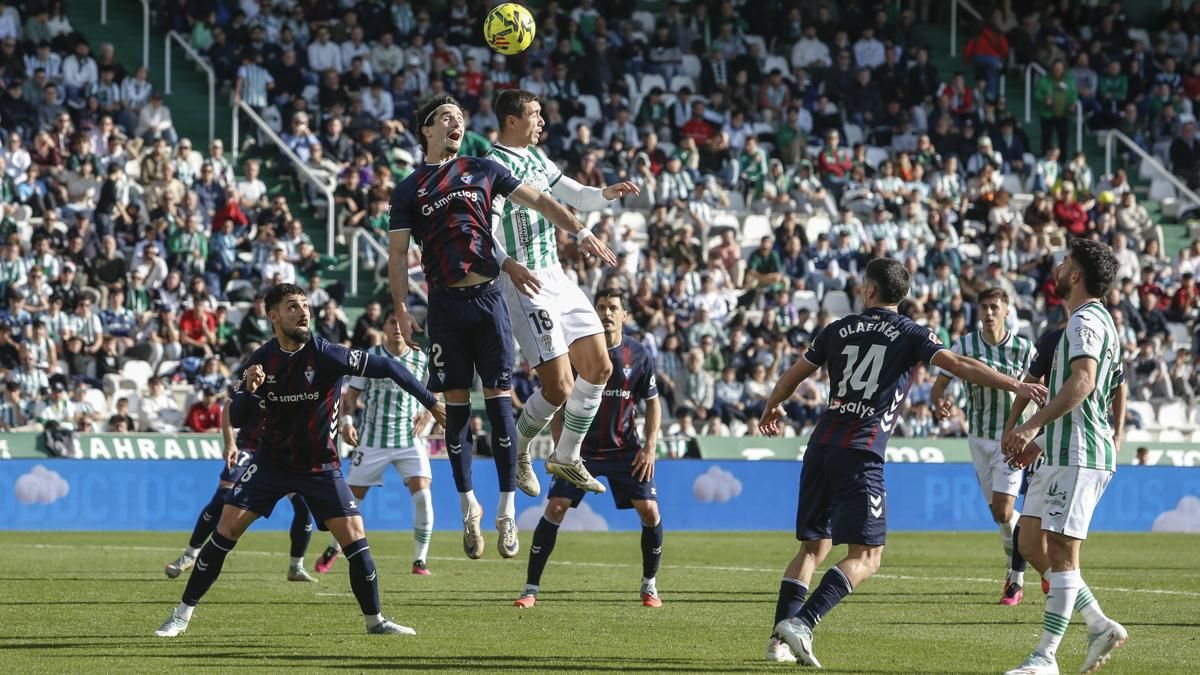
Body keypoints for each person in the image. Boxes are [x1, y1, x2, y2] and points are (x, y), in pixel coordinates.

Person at [758, 258, 1046, 666]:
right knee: (868, 556)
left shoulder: (837, 329)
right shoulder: (911, 333)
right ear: (903, 295)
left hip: (820, 445)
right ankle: (803, 624)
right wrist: (1016, 382)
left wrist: (772, 408)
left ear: (870, 290)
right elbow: (961, 366)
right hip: (861, 452)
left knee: (812, 547)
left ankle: (778, 644)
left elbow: (791, 378)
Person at [387, 94, 616, 560]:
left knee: (498, 409)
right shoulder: (409, 189)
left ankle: (506, 513)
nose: (456, 122)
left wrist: (581, 230)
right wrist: (400, 308)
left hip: (489, 300)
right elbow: (396, 256)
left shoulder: (481, 169)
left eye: (460, 116)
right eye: (445, 117)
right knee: (455, 413)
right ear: (426, 131)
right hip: (445, 307)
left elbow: (542, 200)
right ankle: (469, 506)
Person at [153, 283, 446, 638]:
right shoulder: (261, 359)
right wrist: (250, 388)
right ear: (273, 315)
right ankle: (181, 615)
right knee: (226, 529)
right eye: (292, 306)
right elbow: (241, 416)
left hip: (321, 467)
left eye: (305, 305)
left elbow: (388, 367)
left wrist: (431, 403)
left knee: (355, 538)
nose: (303, 312)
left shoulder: (327, 354)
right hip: (271, 464)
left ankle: (376, 621)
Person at [484, 89, 640, 501]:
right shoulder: (492, 166)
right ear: (512, 121)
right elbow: (484, 232)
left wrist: (606, 194)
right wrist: (508, 265)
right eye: (535, 115)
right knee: (558, 387)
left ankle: (566, 455)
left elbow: (576, 196)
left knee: (601, 366)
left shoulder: (538, 160)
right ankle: (518, 452)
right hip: (525, 281)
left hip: (557, 275)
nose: (542, 122)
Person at [1001, 240, 1128, 675]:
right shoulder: (1086, 321)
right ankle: (1097, 623)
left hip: (1079, 453)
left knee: (1060, 551)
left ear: (1075, 275)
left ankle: (1045, 657)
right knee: (1029, 541)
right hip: (1060, 451)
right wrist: (1040, 441)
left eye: (1065, 262)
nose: (1058, 267)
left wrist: (1031, 425)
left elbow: (1084, 384)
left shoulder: (1085, 322)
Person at [513, 289, 663, 609]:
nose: (606, 313)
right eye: (601, 307)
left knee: (650, 513)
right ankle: (530, 589)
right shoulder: (576, 351)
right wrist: (560, 447)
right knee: (554, 508)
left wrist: (650, 448)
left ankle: (649, 586)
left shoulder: (637, 354)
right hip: (582, 451)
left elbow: (653, 404)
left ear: (625, 315)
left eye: (613, 308)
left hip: (625, 450)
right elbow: (558, 400)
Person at [929, 288, 1035, 604]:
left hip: (1011, 438)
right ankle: (1018, 553)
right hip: (977, 438)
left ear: (1007, 311)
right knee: (1000, 516)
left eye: (994, 307)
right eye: (984, 307)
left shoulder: (1023, 348)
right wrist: (939, 403)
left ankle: (1016, 579)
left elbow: (1042, 386)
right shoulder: (965, 346)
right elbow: (940, 385)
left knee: (1004, 508)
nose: (988, 313)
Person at [163, 365, 316, 584]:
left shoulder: (296, 379)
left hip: (280, 451)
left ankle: (296, 566)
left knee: (303, 506)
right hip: (249, 448)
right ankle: (189, 554)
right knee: (223, 496)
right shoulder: (255, 374)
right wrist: (229, 443)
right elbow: (228, 406)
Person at [314, 313, 435, 576]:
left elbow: (435, 388)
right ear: (383, 328)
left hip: (409, 439)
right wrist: (346, 422)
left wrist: (427, 414)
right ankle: (334, 548)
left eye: (400, 323)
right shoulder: (370, 355)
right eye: (391, 322)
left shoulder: (420, 358)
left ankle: (420, 560)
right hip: (372, 440)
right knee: (351, 501)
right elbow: (351, 395)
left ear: (409, 327)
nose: (396, 328)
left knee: (423, 496)